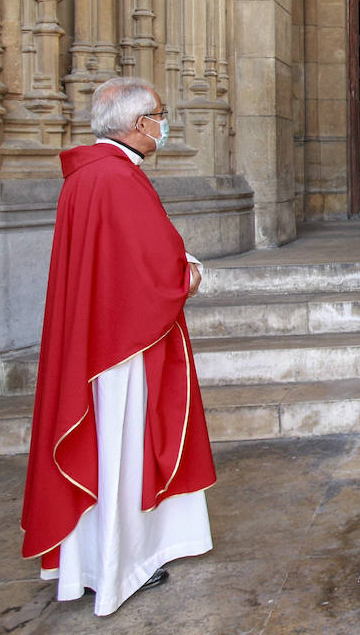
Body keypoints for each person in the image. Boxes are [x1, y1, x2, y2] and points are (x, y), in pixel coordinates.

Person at [21, 77, 215, 617]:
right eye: (158, 114)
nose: (163, 124)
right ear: (137, 125)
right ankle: (118, 565)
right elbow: (155, 268)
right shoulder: (115, 178)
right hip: (121, 349)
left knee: (108, 451)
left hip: (98, 339)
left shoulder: (89, 175)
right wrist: (190, 274)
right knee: (123, 449)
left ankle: (96, 561)